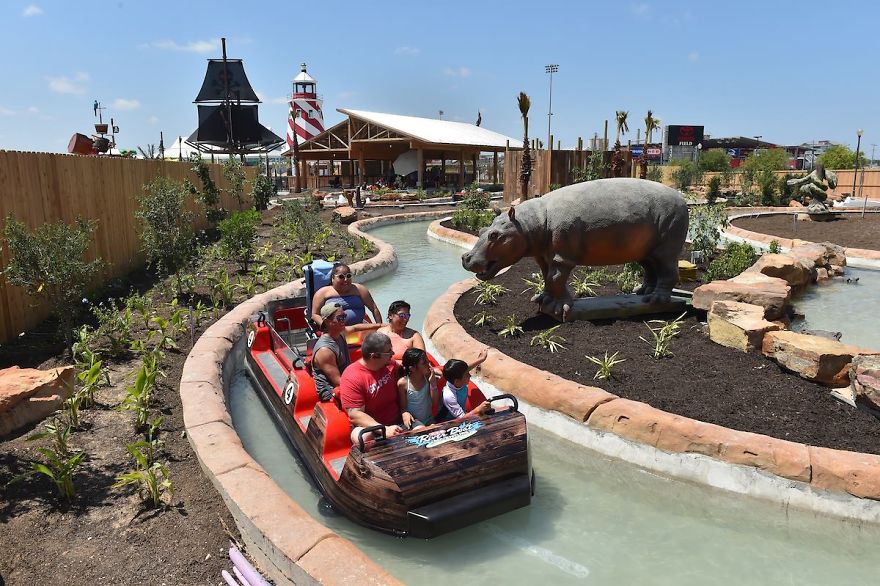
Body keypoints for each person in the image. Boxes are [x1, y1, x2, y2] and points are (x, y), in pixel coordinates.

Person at [339, 332, 407, 444]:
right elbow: (355, 415)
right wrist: (383, 429)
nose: (392, 353)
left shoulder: (390, 364)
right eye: (388, 352)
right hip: (371, 428)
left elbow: (406, 371)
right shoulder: (352, 377)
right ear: (374, 356)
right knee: (364, 437)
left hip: (398, 421)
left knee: (420, 428)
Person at [312, 302, 382, 402]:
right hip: (331, 392)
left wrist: (380, 325)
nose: (344, 320)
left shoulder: (339, 332)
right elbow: (338, 381)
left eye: (344, 316)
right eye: (340, 318)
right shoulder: (325, 351)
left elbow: (355, 328)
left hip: (347, 378)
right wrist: (366, 388)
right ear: (327, 322)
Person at [311, 263, 382, 327]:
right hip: (334, 331)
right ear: (333, 278)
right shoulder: (322, 293)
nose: (345, 279)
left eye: (348, 276)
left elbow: (374, 308)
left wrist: (379, 326)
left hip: (359, 328)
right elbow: (315, 314)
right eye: (341, 277)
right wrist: (326, 327)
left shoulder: (359, 289)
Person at [437, 348, 491, 422]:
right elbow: (462, 419)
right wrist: (477, 410)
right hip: (448, 423)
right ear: (457, 381)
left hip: (462, 415)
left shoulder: (456, 379)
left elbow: (466, 369)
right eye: (467, 374)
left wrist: (481, 359)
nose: (470, 376)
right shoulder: (449, 396)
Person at [397, 348, 439, 428]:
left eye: (427, 361)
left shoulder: (428, 377)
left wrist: (433, 384)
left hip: (429, 419)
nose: (428, 364)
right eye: (424, 363)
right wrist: (405, 413)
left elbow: (435, 402)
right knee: (422, 429)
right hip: (414, 421)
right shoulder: (403, 383)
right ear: (412, 368)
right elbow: (403, 408)